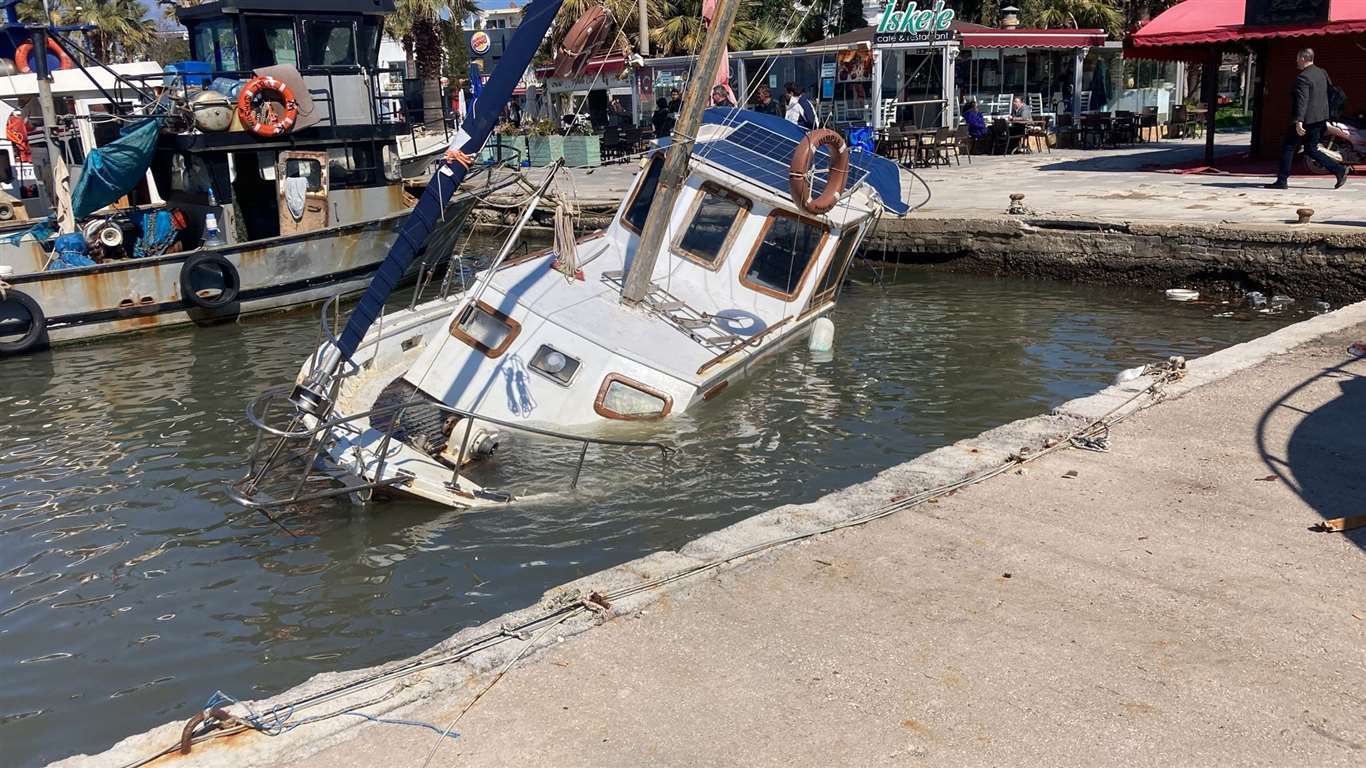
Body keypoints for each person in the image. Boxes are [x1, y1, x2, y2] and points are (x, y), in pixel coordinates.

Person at [1266, 48, 1348, 189]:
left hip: (1305, 120)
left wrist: (1299, 121)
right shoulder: (1322, 72)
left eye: (1297, 58)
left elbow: (1302, 101)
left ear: (1303, 58)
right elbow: (1329, 92)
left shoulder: (1303, 78)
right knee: (1311, 148)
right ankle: (1339, 170)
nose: (1296, 61)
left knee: (1289, 147)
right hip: (1320, 118)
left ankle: (1282, 180)